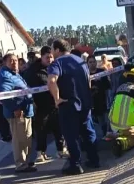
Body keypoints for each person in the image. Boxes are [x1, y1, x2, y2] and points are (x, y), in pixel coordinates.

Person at [47, 39, 100, 175]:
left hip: (69, 105)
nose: (51, 52)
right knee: (88, 132)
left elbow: (52, 81)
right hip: (85, 103)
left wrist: (57, 99)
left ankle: (76, 164)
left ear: (57, 50)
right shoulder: (80, 61)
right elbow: (88, 80)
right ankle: (94, 159)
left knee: (71, 136)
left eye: (52, 49)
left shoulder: (57, 63)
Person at [23, 46, 67, 161]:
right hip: (40, 105)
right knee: (41, 130)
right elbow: (27, 87)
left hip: (55, 103)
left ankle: (61, 150)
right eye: (47, 57)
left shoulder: (56, 67)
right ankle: (40, 152)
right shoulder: (33, 71)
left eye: (51, 57)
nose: (50, 59)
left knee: (59, 128)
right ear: (41, 57)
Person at [0, 53, 36, 173]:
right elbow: (5, 95)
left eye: (16, 60)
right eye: (11, 61)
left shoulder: (14, 73)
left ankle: (26, 161)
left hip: (26, 110)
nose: (14, 63)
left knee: (26, 137)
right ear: (5, 63)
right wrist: (15, 108)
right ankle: (21, 164)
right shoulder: (4, 75)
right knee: (19, 140)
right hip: (17, 113)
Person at [108, 66, 134, 157]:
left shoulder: (120, 88)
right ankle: (120, 144)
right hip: (125, 125)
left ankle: (119, 136)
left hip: (113, 124)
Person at [88, 55, 111, 138]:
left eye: (93, 61)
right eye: (90, 62)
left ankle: (107, 133)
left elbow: (108, 85)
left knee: (105, 118)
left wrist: (99, 82)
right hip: (93, 101)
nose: (92, 64)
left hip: (103, 99)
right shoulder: (86, 74)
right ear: (87, 63)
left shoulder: (101, 71)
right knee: (98, 119)